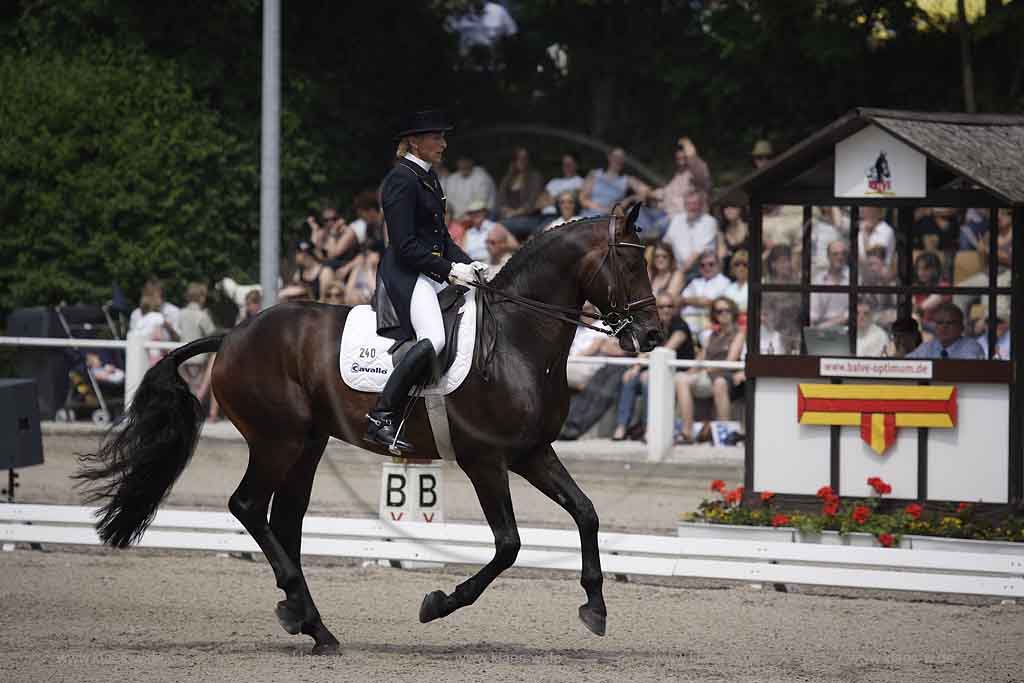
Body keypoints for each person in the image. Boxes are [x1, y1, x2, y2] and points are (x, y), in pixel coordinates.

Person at [366, 110, 486, 453]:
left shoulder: (428, 178)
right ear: (415, 142)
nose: (444, 144)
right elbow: (404, 246)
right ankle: (381, 416)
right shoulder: (400, 179)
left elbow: (442, 238)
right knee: (434, 338)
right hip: (405, 274)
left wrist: (471, 265)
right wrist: (448, 270)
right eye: (437, 138)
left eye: (443, 138)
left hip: (428, 268)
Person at [611, 294, 695, 441]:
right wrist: (635, 368)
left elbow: (664, 351)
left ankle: (649, 426)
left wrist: (639, 366)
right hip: (655, 368)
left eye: (670, 306)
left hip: (677, 371)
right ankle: (622, 426)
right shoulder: (653, 326)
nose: (666, 310)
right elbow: (646, 351)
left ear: (675, 309)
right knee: (630, 379)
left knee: (646, 378)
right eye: (661, 307)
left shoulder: (680, 326)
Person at [674, 296, 745, 444]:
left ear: (733, 312)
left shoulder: (739, 334)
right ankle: (686, 432)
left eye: (727, 310)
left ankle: (724, 433)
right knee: (680, 378)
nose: (724, 314)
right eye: (719, 311)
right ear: (714, 315)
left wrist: (706, 369)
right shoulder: (711, 335)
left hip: (725, 375)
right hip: (706, 375)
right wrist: (691, 372)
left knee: (719, 382)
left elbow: (730, 361)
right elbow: (701, 358)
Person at [663, 190, 719, 280]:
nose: (691, 207)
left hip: (700, 270)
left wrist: (679, 272)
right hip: (676, 268)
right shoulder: (677, 220)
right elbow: (666, 244)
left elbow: (697, 254)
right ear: (684, 205)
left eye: (694, 204)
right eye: (688, 204)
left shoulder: (709, 222)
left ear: (701, 205)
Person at [579, 147, 650, 218]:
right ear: (609, 157)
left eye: (621, 158)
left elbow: (645, 190)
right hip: (590, 214)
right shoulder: (595, 174)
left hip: (612, 217)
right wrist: (601, 209)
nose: (618, 160)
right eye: (616, 157)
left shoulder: (626, 179)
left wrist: (631, 198)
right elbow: (583, 199)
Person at [177, 282, 218, 396]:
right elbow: (211, 332)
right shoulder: (202, 315)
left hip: (182, 355)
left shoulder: (181, 313)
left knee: (185, 387)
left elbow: (177, 331)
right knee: (196, 387)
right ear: (201, 297)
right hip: (198, 357)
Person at [906, 302, 985, 359]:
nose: (944, 327)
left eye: (949, 323)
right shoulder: (928, 347)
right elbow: (907, 364)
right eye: (940, 323)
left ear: (961, 327)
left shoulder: (971, 347)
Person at [496, 147, 545, 239]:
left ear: (529, 160)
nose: (521, 161)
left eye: (524, 158)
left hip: (529, 218)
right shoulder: (507, 178)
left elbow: (531, 204)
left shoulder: (535, 177)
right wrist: (505, 210)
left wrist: (514, 213)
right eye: (518, 158)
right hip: (508, 217)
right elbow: (500, 200)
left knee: (500, 226)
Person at [678, 250, 730, 334]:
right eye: (702, 265)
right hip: (687, 320)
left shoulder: (724, 282)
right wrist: (698, 301)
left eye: (711, 264)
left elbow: (715, 303)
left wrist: (690, 301)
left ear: (718, 265)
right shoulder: (695, 281)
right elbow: (680, 300)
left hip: (710, 322)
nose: (707, 268)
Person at [442, 154, 496, 221]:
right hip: (456, 219)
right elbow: (446, 201)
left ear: (471, 162)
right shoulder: (452, 179)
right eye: (461, 161)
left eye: (465, 161)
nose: (463, 164)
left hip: (481, 217)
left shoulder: (482, 177)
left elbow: (481, 204)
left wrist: (465, 218)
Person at [810, 240, 850, 329]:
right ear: (828, 256)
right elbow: (813, 314)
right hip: (822, 329)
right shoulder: (819, 280)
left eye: (843, 254)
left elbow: (854, 311)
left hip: (847, 328)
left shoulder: (854, 279)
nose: (840, 257)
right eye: (835, 254)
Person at [536, 152, 584, 217]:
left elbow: (572, 201)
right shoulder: (553, 182)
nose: (567, 166)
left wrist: (550, 199)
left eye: (570, 163)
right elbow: (538, 204)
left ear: (577, 165)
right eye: (565, 164)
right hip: (541, 216)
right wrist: (558, 199)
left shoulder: (580, 182)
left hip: (561, 217)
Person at [722, 249, 749, 321]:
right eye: (737, 265)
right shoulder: (728, 288)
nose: (741, 268)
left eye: (745, 264)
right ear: (732, 268)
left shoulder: (757, 285)